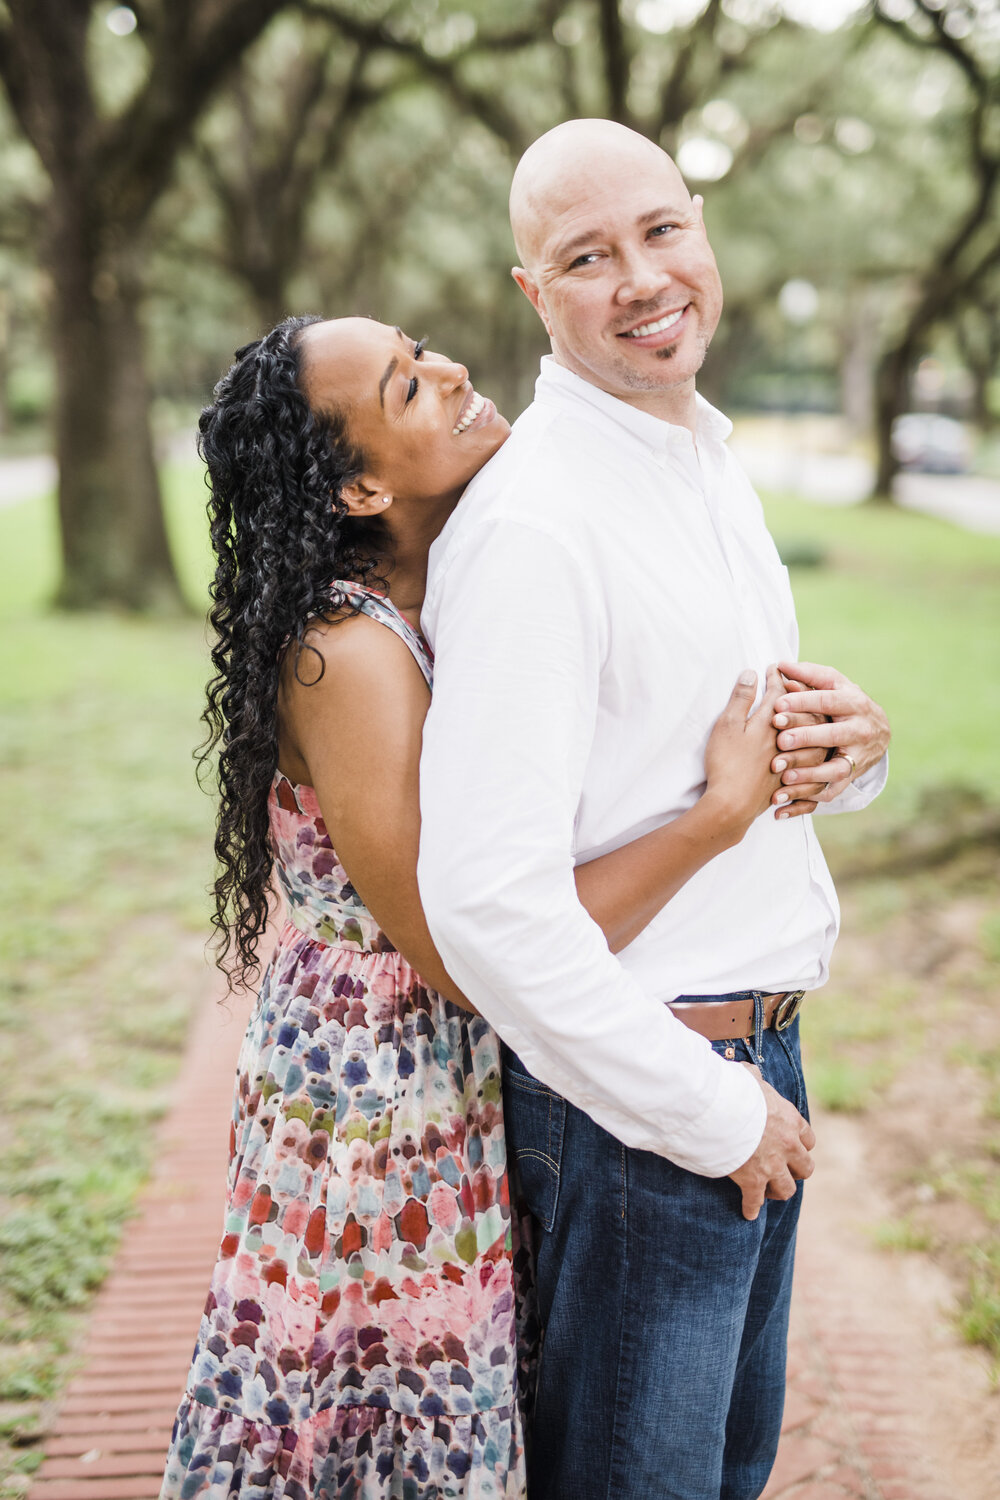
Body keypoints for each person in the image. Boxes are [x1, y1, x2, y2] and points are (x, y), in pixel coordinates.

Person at [159, 314, 826, 1500]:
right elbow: (471, 952)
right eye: (409, 387)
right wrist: (713, 819)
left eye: (425, 351)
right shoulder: (347, 654)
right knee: (374, 1430)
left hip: (450, 1076)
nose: (455, 373)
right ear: (360, 482)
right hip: (380, 1102)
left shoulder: (441, 596)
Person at [415, 119, 891, 1500]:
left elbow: (711, 761)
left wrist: (848, 755)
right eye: (586, 255)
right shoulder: (538, 523)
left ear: (701, 226)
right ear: (531, 293)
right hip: (639, 1110)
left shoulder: (700, 462)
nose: (640, 277)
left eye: (660, 231)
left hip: (747, 1069)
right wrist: (709, 1113)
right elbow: (488, 906)